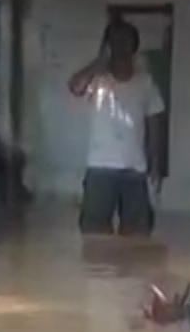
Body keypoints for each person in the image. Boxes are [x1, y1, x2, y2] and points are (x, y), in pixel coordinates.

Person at [67, 18, 165, 236]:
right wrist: (98, 61)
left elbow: (155, 127)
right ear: (108, 47)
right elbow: (75, 87)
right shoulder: (97, 80)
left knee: (138, 234)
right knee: (93, 234)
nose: (121, 48)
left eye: (125, 43)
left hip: (135, 170)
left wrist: (156, 166)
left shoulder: (145, 83)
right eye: (115, 43)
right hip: (100, 168)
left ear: (134, 48)